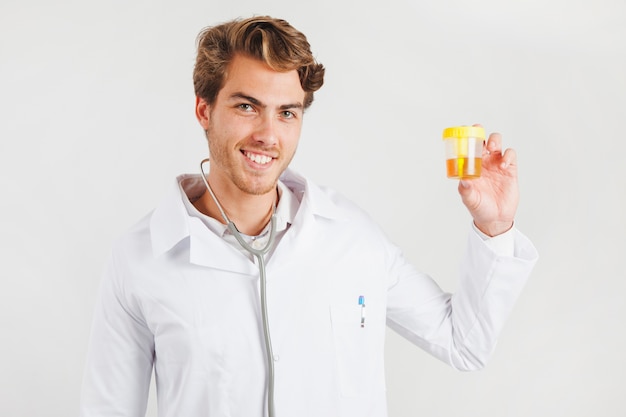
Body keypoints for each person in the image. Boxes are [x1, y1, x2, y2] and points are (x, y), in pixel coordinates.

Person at [79, 15, 538, 417]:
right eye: (246, 106)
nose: (267, 134)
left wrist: (494, 227)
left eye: (287, 113)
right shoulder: (140, 259)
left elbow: (464, 344)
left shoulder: (352, 237)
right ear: (204, 109)